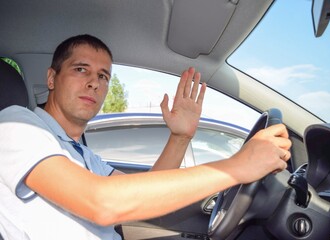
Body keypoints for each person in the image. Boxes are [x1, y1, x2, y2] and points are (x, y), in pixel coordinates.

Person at [0, 34, 291, 240]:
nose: (94, 82)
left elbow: (137, 200)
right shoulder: (16, 124)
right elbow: (102, 203)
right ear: (52, 78)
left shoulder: (83, 155)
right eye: (80, 69)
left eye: (103, 76)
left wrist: (179, 136)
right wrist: (238, 167)